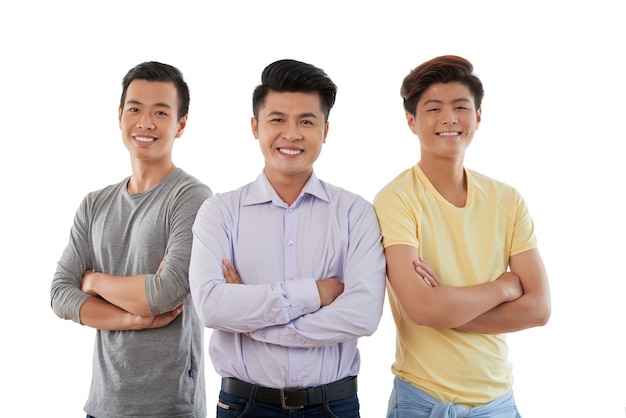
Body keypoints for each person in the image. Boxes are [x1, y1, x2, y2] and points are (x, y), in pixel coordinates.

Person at [189, 59, 386, 417]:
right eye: (277, 119)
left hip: (334, 406)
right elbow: (212, 306)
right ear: (255, 127)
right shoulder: (220, 212)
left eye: (307, 121)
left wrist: (257, 324)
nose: (292, 134)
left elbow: (363, 314)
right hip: (245, 406)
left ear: (325, 130)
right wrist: (317, 293)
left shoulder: (355, 213)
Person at [373, 55, 551, 417]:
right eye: (433, 108)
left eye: (460, 107)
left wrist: (448, 310)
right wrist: (502, 289)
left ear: (478, 117)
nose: (449, 118)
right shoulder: (396, 199)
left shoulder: (507, 200)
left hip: (498, 402)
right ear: (411, 121)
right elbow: (421, 308)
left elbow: (539, 308)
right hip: (422, 402)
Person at [50, 61, 211, 418]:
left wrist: (92, 281)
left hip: (171, 408)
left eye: (160, 112)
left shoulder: (191, 197)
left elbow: (165, 293)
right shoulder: (95, 204)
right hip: (102, 405)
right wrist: (132, 319)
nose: (145, 123)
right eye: (135, 109)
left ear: (181, 125)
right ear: (120, 115)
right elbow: (60, 294)